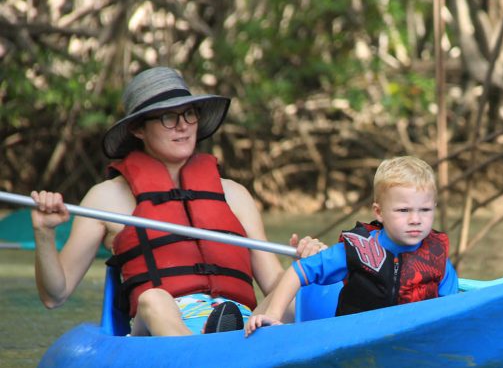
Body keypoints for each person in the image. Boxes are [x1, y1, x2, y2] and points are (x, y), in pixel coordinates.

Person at [30, 66, 325, 336]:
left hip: (240, 322)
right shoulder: (105, 198)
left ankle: (223, 340)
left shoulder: (235, 195)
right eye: (169, 117)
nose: (183, 126)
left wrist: (307, 268)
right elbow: (55, 295)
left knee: (295, 297)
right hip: (160, 326)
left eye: (189, 114)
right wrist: (44, 234)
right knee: (153, 298)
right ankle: (201, 358)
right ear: (138, 128)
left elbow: (275, 285)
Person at [245, 156, 459, 335]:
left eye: (425, 210)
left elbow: (451, 309)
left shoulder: (438, 258)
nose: (415, 219)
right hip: (354, 339)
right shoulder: (358, 250)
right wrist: (273, 315)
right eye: (403, 210)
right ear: (379, 212)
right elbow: (297, 272)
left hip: (411, 343)